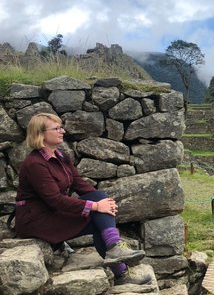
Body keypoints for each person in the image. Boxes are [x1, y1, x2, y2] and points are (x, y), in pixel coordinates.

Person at [14, 113, 149, 285]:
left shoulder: (61, 156)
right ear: (41, 134)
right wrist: (95, 206)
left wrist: (104, 203)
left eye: (61, 126)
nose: (62, 131)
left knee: (100, 208)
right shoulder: (35, 163)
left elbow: (80, 184)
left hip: (53, 212)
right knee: (97, 215)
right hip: (36, 219)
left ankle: (115, 252)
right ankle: (120, 270)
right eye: (56, 128)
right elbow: (55, 199)